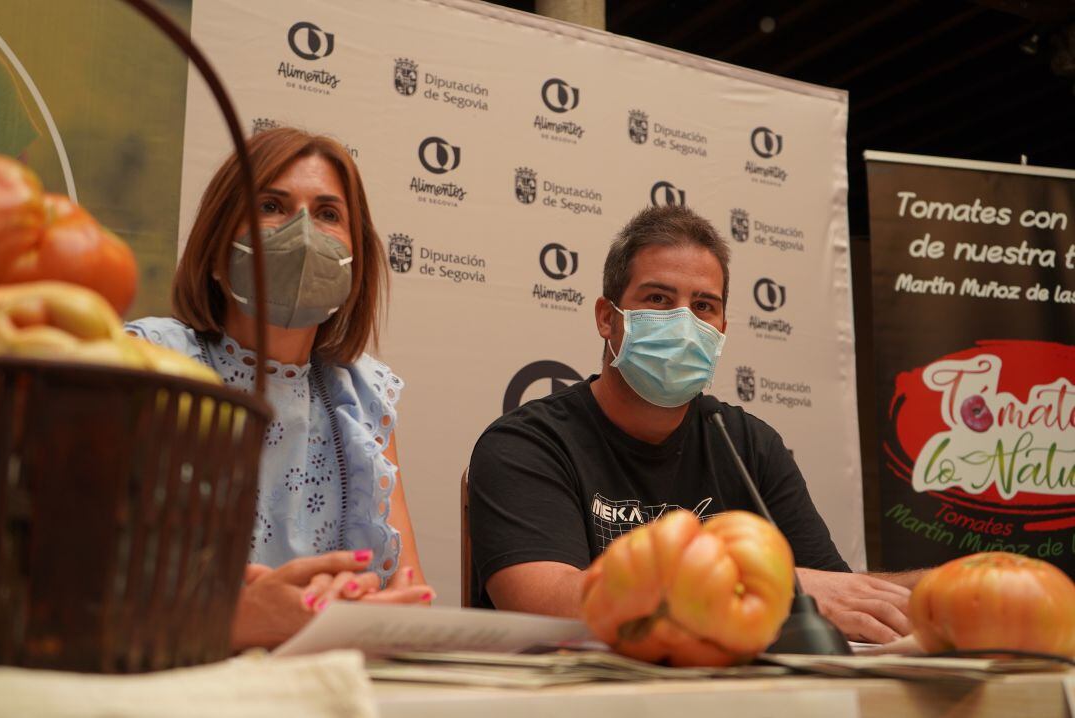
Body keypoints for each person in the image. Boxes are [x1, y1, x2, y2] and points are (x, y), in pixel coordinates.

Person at [468, 205, 920, 644]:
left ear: (722, 328)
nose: (684, 322)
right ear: (608, 318)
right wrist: (769, 585)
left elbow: (836, 593)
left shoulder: (748, 444)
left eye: (703, 306)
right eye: (659, 299)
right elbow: (545, 605)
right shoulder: (527, 444)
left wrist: (955, 587)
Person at [127, 128, 432, 637]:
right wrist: (236, 619)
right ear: (219, 243)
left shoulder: (362, 397)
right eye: (272, 205)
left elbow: (410, 599)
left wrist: (351, 608)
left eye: (329, 214)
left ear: (356, 261)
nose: (303, 232)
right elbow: (66, 576)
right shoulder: (149, 359)